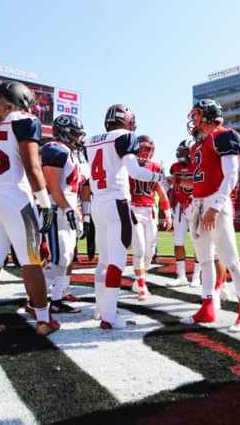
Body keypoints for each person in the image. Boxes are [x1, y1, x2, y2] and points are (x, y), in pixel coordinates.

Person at [0, 80, 59, 341]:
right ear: (21, 99)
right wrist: (44, 203)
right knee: (32, 260)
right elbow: (33, 167)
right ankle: (43, 319)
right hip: (12, 196)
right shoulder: (22, 119)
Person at [173, 99, 240, 332]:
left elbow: (231, 176)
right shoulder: (199, 144)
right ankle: (207, 308)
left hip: (215, 203)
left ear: (209, 115)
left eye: (198, 114)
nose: (194, 119)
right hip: (198, 203)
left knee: (231, 259)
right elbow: (201, 177)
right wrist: (178, 181)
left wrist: (216, 206)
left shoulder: (223, 136)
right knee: (205, 260)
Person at [83, 104, 164, 329]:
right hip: (117, 202)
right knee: (117, 262)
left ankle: (100, 310)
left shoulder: (90, 140)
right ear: (127, 120)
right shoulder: (125, 136)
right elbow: (135, 172)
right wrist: (160, 175)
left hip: (98, 203)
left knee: (103, 261)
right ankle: (110, 316)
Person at [41, 114, 90, 313]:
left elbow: (82, 187)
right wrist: (68, 209)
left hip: (68, 208)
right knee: (59, 258)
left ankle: (56, 299)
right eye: (76, 134)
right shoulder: (54, 149)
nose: (79, 138)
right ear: (65, 132)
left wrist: (80, 213)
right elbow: (53, 187)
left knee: (67, 257)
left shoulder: (73, 153)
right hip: (56, 207)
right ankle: (34, 299)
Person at [128, 135, 172, 300]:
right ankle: (141, 286)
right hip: (133, 209)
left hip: (150, 210)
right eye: (142, 148)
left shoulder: (156, 167)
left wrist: (168, 215)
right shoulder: (128, 164)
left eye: (148, 149)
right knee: (139, 248)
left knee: (150, 251)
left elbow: (161, 192)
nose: (144, 152)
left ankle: (140, 279)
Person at [167, 139, 202, 287]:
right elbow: (174, 190)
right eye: (179, 151)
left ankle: (196, 276)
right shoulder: (174, 167)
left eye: (183, 151)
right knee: (178, 241)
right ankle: (181, 275)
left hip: (195, 205)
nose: (180, 154)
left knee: (198, 242)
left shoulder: (198, 166)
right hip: (180, 207)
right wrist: (170, 208)